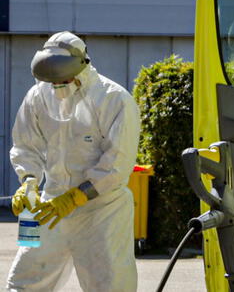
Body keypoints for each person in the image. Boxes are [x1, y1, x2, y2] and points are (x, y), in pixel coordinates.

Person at [6, 31, 141, 292]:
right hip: (50, 206)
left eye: (62, 79)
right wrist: (29, 182)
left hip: (102, 210)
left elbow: (117, 163)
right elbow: (25, 145)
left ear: (81, 67)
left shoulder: (114, 99)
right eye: (51, 80)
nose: (57, 86)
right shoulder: (37, 96)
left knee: (109, 284)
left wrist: (76, 197)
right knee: (24, 281)